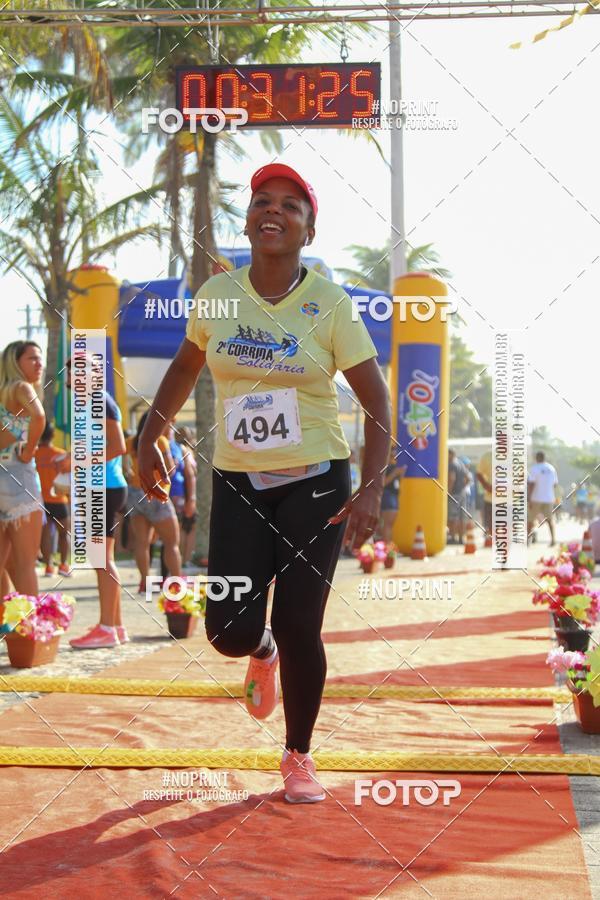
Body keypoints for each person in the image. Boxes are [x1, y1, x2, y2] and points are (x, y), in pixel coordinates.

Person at [138, 163, 391, 804]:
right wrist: (151, 434)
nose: (272, 211)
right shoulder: (217, 297)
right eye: (261, 202)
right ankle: (261, 645)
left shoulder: (331, 304)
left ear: (308, 228)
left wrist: (370, 487)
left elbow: (377, 402)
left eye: (289, 205)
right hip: (240, 483)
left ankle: (298, 755)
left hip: (317, 485)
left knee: (305, 622)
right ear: (248, 219)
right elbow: (182, 367)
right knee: (226, 631)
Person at [67, 357, 129, 649]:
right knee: (105, 559)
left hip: (103, 487)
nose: (78, 374)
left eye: (85, 368)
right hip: (104, 486)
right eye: (73, 370)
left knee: (101, 560)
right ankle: (115, 626)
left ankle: (107, 628)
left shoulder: (99, 401)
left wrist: (76, 460)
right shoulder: (92, 402)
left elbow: (118, 446)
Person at [0, 341, 45, 595]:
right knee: (26, 564)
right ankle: (31, 630)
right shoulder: (21, 387)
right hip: (18, 477)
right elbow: (39, 416)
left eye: (40, 359)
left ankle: (4, 626)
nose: (39, 364)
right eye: (32, 359)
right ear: (15, 363)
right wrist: (29, 450)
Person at [126, 412, 182, 592]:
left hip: (135, 493)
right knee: (172, 542)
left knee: (142, 543)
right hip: (157, 493)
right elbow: (170, 470)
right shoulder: (161, 441)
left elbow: (124, 467)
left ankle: (144, 582)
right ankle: (176, 583)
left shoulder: (132, 442)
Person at [35, 421, 71, 576]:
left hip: (41, 500)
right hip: (59, 499)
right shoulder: (60, 454)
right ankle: (63, 565)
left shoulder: (33, 454)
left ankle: (48, 566)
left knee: (45, 535)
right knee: (64, 534)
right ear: (53, 435)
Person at [527, 451, 558, 546]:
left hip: (536, 498)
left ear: (536, 458)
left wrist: (528, 497)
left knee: (530, 520)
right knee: (549, 520)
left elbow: (531, 483)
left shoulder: (534, 468)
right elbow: (555, 484)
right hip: (549, 498)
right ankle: (553, 540)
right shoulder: (551, 468)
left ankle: (528, 541)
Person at [380, 450, 406, 543]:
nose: (394, 457)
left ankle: (387, 547)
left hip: (393, 495)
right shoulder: (385, 467)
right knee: (387, 524)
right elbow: (383, 483)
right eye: (392, 455)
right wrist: (395, 473)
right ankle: (386, 547)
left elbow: (398, 482)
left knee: (389, 524)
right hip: (388, 495)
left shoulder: (395, 467)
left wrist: (400, 474)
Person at [447, 449, 471, 544]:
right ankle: (461, 539)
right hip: (462, 493)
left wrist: (448, 492)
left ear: (451, 454)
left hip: (454, 494)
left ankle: (453, 538)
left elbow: (452, 479)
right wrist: (462, 487)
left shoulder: (451, 464)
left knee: (452, 517)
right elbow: (468, 478)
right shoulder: (460, 464)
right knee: (462, 517)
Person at [476, 449, 493, 544]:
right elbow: (479, 473)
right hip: (491, 499)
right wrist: (486, 486)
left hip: (510, 500)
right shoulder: (487, 456)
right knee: (491, 524)